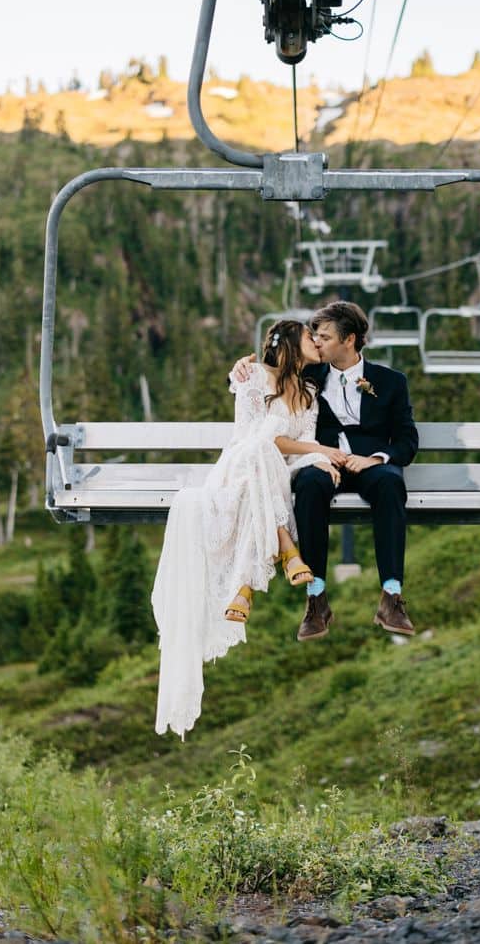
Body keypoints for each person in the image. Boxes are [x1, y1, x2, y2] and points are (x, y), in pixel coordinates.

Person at [151, 318, 343, 738]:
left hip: (271, 474)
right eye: (310, 337)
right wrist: (319, 449)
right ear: (292, 343)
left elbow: (295, 449)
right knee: (257, 451)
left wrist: (319, 457)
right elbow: (251, 438)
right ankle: (285, 551)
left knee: (267, 460)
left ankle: (246, 584)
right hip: (240, 466)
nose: (315, 342)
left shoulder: (309, 394)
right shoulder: (253, 376)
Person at [235, 300, 420, 642]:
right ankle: (315, 598)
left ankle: (392, 596)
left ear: (349, 340)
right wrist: (245, 366)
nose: (316, 343)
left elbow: (407, 440)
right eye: (314, 337)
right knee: (308, 486)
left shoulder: (391, 381)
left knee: (390, 485)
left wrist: (375, 459)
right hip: (321, 461)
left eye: (324, 337)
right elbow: (272, 371)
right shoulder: (310, 373)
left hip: (368, 465)